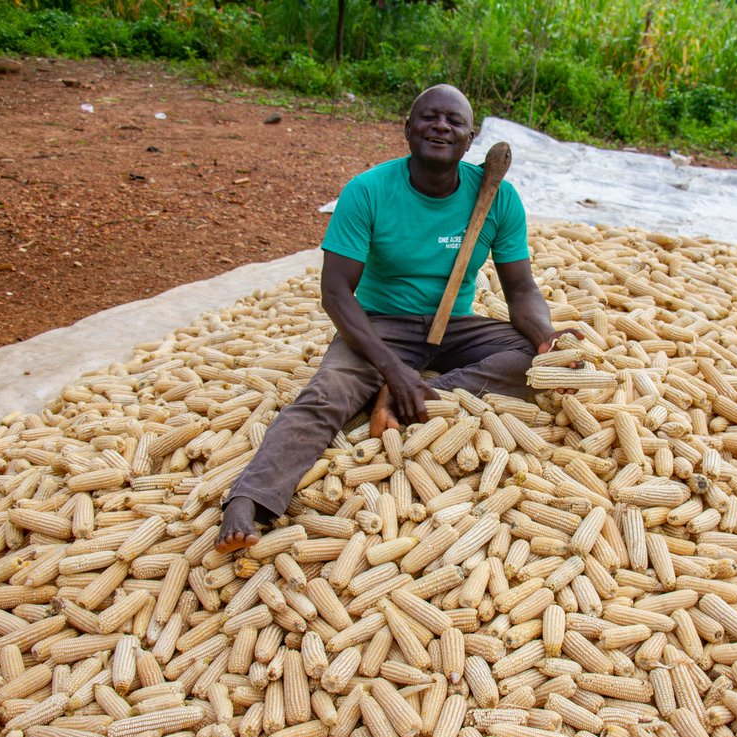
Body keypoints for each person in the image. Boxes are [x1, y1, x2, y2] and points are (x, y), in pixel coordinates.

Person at [215, 84, 570, 553]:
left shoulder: (497, 198)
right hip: (380, 324)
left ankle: (417, 395)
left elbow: (521, 289)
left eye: (454, 122)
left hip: (455, 327)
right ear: (407, 129)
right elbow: (336, 293)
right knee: (327, 394)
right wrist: (390, 366)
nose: (440, 126)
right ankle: (249, 499)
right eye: (429, 117)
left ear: (469, 141)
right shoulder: (368, 192)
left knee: (531, 358)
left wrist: (546, 335)